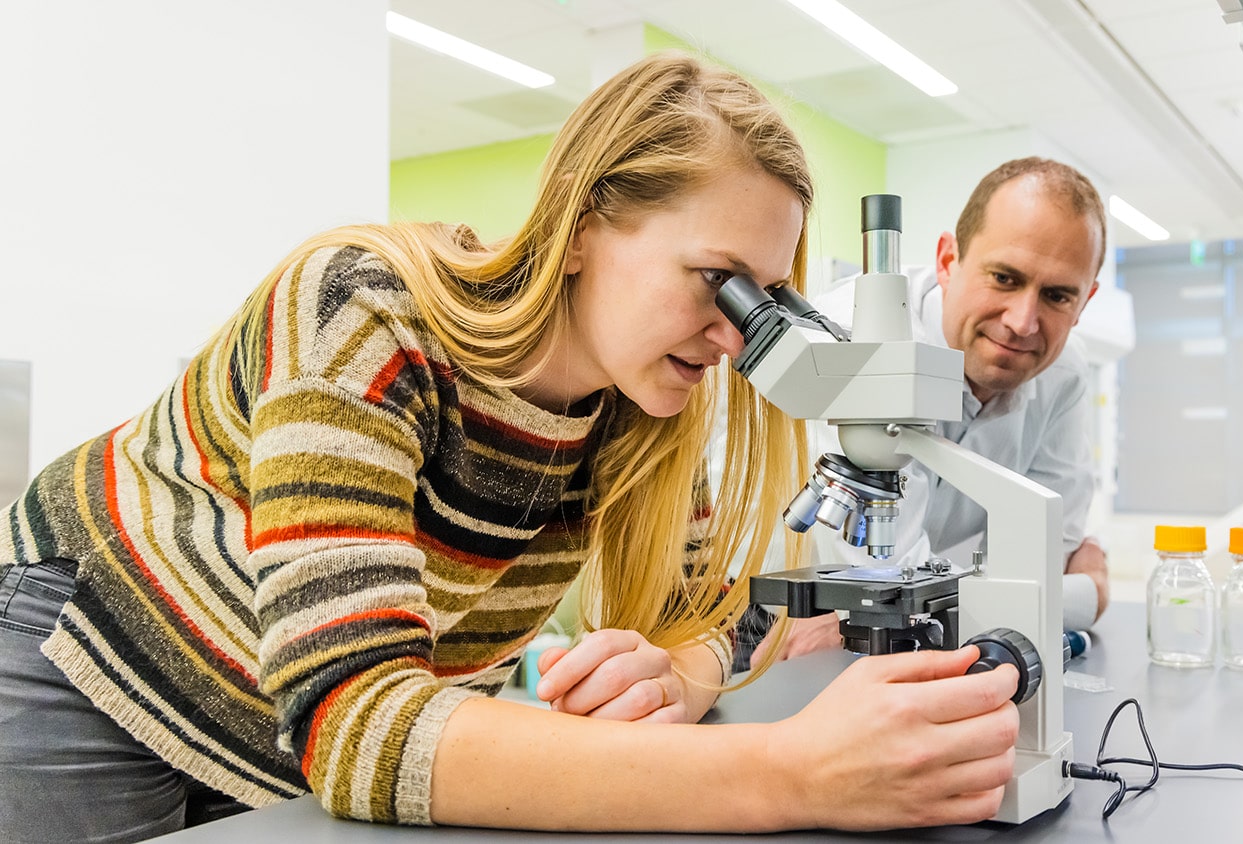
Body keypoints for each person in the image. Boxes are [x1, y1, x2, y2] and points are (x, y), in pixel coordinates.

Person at [0, 53, 1020, 842]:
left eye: (764, 300)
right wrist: (793, 774)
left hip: (276, 726)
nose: (733, 333)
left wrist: (678, 674)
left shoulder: (640, 403)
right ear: (581, 228)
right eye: (717, 280)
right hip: (87, 653)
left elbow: (722, 617)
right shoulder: (364, 306)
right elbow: (354, 725)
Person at [751, 157, 1111, 667]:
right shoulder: (853, 339)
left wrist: (1048, 595)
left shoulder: (1064, 376)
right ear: (947, 260)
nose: (1022, 321)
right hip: (773, 624)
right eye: (1005, 278)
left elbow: (1040, 560)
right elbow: (886, 573)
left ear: (1084, 302)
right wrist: (1087, 594)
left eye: (1057, 295)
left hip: (895, 628)